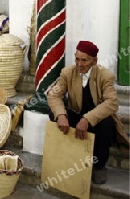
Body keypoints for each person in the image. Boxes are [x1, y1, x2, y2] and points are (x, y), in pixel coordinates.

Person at [47, 41, 129, 184]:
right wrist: (61, 116)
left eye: (84, 60)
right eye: (77, 59)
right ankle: (69, 157)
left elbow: (112, 103)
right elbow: (54, 95)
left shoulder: (105, 76)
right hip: (76, 115)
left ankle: (99, 166)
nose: (79, 64)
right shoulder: (68, 72)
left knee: (107, 123)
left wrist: (87, 119)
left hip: (95, 120)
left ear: (94, 60)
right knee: (54, 113)